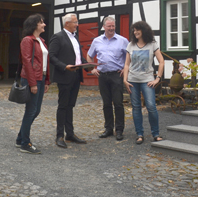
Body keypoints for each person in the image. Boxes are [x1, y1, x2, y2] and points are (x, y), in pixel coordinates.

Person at [49, 13, 87, 148]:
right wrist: (64, 66)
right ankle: (59, 136)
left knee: (70, 105)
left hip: (76, 76)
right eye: (75, 22)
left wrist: (89, 68)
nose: (77, 24)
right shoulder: (58, 37)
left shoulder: (75, 36)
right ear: (67, 24)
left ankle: (70, 134)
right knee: (63, 106)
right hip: (64, 76)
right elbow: (52, 56)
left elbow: (79, 57)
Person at [123, 20, 165, 144]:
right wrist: (125, 80)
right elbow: (126, 64)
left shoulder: (152, 44)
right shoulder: (131, 45)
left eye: (137, 29)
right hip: (132, 81)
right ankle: (139, 134)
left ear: (144, 30)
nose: (135, 32)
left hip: (147, 80)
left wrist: (158, 78)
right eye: (134, 30)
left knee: (151, 106)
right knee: (136, 107)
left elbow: (161, 61)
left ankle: (156, 134)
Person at [88, 17, 129, 141]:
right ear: (104, 27)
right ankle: (108, 129)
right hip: (103, 76)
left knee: (118, 103)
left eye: (113, 26)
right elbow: (89, 56)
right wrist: (92, 69)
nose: (111, 28)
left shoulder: (123, 40)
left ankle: (119, 130)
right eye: (109, 26)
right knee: (106, 104)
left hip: (117, 75)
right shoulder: (97, 41)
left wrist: (125, 69)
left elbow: (129, 56)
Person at [16, 14, 51, 154]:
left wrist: (47, 80)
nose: (44, 25)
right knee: (31, 111)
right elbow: (26, 62)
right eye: (41, 22)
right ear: (35, 24)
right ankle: (25, 143)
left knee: (35, 110)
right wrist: (32, 83)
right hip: (32, 79)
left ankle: (20, 139)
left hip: (40, 79)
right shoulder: (27, 40)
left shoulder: (41, 40)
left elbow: (45, 62)